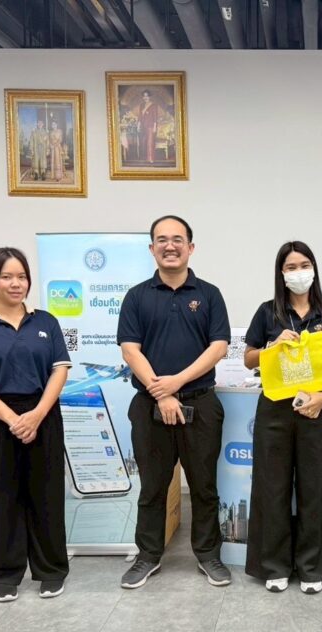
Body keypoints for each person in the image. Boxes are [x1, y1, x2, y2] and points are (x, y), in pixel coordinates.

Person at [116, 215, 232, 589]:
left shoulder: (209, 294)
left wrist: (176, 384)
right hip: (149, 408)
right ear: (152, 248)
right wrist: (162, 393)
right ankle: (148, 557)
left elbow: (219, 347)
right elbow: (130, 350)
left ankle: (208, 556)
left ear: (190, 248)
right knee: (153, 487)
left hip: (201, 404)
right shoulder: (137, 296)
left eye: (178, 239)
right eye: (162, 240)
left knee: (204, 486)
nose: (170, 246)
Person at [0, 247, 72, 603]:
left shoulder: (46, 322)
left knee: (47, 495)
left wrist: (36, 415)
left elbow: (60, 370)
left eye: (21, 276)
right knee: (2, 495)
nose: (15, 283)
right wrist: (12, 419)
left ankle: (51, 570)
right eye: (6, 277)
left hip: (43, 414)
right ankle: (6, 573)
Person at [243, 241, 322, 595]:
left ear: (314, 269)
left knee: (316, 488)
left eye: (304, 265)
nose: (298, 272)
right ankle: (274, 566)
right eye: (290, 267)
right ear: (281, 273)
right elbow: (248, 358)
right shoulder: (267, 312)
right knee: (272, 487)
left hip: (316, 408)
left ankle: (313, 567)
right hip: (275, 408)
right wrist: (270, 348)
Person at [137, 90, 160, 163]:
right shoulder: (141, 105)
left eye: (147, 96)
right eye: (144, 96)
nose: (145, 97)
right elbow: (140, 116)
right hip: (143, 126)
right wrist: (138, 125)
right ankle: (147, 158)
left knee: (150, 142)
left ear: (149, 96)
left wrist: (155, 127)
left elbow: (155, 117)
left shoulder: (153, 105)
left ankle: (151, 158)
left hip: (151, 126)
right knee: (144, 142)